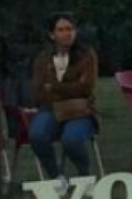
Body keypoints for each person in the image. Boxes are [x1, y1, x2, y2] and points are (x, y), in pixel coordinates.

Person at [28, 12, 98, 182]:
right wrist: (68, 89)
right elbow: (39, 91)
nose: (66, 33)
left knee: (71, 140)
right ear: (52, 35)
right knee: (37, 136)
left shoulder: (86, 55)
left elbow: (86, 87)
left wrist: (54, 87)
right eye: (61, 30)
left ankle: (85, 177)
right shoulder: (43, 59)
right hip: (50, 109)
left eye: (69, 29)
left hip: (79, 110)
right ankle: (56, 178)